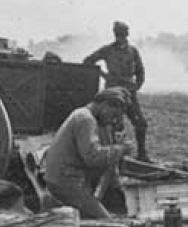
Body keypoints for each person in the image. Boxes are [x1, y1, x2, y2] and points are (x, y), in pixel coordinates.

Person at [43, 87, 134, 219]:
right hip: (66, 182)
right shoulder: (85, 119)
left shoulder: (91, 118)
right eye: (113, 115)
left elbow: (106, 158)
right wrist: (120, 149)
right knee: (106, 222)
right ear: (105, 105)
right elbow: (93, 157)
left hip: (70, 179)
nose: (113, 120)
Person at [83, 21, 150, 161]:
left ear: (127, 35)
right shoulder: (107, 50)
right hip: (112, 94)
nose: (120, 37)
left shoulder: (132, 51)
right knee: (114, 125)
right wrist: (104, 75)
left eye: (123, 35)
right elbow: (88, 61)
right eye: (118, 34)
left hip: (128, 94)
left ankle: (142, 155)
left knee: (141, 123)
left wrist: (136, 86)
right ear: (115, 34)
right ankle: (116, 157)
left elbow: (140, 71)